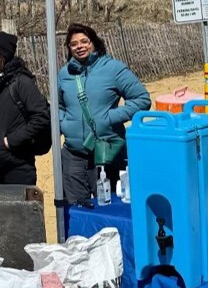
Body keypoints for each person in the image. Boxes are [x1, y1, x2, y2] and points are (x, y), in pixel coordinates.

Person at [58, 22, 151, 204]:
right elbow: (59, 105)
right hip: (73, 154)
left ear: (94, 42)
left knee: (109, 206)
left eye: (84, 41)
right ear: (69, 48)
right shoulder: (64, 74)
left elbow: (141, 99)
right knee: (76, 207)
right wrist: (64, 123)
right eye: (74, 44)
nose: (80, 46)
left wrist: (110, 118)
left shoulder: (113, 69)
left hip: (106, 151)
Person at [0, 32, 52, 185]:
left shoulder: (21, 82)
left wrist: (11, 141)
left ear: (3, 57)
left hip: (18, 169)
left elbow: (41, 117)